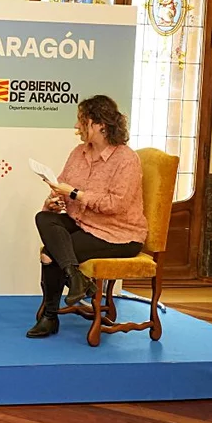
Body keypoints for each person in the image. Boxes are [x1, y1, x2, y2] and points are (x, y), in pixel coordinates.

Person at [27, 95, 147, 339]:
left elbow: (116, 205)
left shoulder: (126, 159)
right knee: (44, 217)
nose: (76, 127)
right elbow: (62, 186)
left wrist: (74, 194)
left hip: (118, 234)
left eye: (82, 122)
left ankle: (50, 316)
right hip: (84, 224)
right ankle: (77, 278)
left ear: (100, 125)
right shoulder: (79, 153)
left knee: (51, 252)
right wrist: (55, 200)